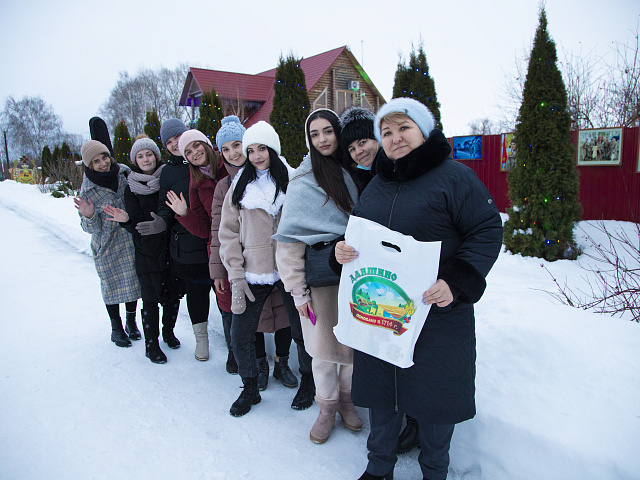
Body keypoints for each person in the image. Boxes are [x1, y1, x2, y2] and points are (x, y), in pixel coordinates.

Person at [334, 98, 503, 480]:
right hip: (383, 314)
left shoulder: (455, 177)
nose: (395, 138)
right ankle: (379, 468)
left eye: (404, 128)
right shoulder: (377, 184)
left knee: (435, 400)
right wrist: (342, 252)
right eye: (387, 132)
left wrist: (456, 282)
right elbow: (360, 235)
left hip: (438, 315)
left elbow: (486, 230)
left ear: (424, 130)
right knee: (383, 396)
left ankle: (434, 471)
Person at [273, 109, 362, 444]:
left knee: (353, 350)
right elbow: (289, 243)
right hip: (321, 282)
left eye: (328, 131)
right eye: (315, 134)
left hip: (356, 276)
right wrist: (298, 291)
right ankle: (326, 409)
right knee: (323, 353)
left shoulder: (354, 171)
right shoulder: (302, 181)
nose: (323, 139)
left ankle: (347, 401)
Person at [339, 106, 420, 455]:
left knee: (413, 350)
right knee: (383, 351)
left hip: (412, 275)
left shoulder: (406, 171)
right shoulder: (357, 182)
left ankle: (415, 420)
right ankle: (388, 429)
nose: (360, 151)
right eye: (352, 148)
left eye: (364, 141)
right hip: (377, 279)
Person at [218, 121, 308, 417]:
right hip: (253, 271)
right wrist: (236, 274)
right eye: (251, 150)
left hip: (289, 268)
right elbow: (228, 233)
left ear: (273, 149)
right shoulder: (239, 185)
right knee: (240, 334)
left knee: (302, 329)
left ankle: (309, 382)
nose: (256, 156)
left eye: (262, 149)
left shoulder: (293, 181)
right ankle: (250, 387)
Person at [102, 136, 181, 364]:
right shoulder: (131, 188)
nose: (146, 159)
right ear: (134, 160)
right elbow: (134, 223)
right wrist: (127, 221)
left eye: (149, 154)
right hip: (146, 251)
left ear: (156, 156)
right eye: (140, 156)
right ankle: (151, 344)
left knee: (173, 295)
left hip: (170, 246)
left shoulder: (166, 178)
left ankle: (168, 332)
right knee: (150, 298)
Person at [162, 126, 228, 361]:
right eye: (187, 151)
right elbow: (203, 224)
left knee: (228, 297)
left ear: (206, 144)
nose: (193, 152)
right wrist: (182, 213)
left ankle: (236, 346)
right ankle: (202, 340)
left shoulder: (228, 164)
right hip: (197, 246)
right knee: (200, 293)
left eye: (195, 145)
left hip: (234, 247)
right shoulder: (189, 178)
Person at [74, 140, 141, 348]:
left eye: (104, 157)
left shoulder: (124, 174)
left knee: (132, 283)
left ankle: (131, 322)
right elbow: (90, 228)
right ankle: (116, 328)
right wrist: (89, 215)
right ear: (89, 165)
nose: (103, 163)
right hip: (106, 245)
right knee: (111, 286)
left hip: (128, 240)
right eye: (96, 161)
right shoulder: (88, 189)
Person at [339, 106, 379, 194]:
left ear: (377, 138)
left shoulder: (397, 170)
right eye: (352, 149)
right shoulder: (354, 184)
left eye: (362, 143)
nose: (358, 152)